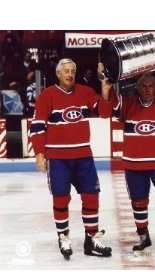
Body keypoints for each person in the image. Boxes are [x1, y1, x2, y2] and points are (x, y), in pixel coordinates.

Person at [30, 58, 112, 260]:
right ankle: (63, 237)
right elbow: (38, 128)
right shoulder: (47, 95)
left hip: (83, 156)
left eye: (72, 71)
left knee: (92, 196)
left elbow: (104, 112)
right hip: (58, 158)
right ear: (58, 74)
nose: (69, 74)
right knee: (60, 198)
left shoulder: (85, 92)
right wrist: (40, 154)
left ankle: (91, 238)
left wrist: (104, 87)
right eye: (65, 71)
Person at [99, 64, 155, 256]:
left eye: (150, 86)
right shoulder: (128, 104)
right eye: (143, 86)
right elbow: (109, 103)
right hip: (135, 165)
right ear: (137, 88)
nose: (147, 89)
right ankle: (143, 236)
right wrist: (105, 80)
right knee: (138, 202)